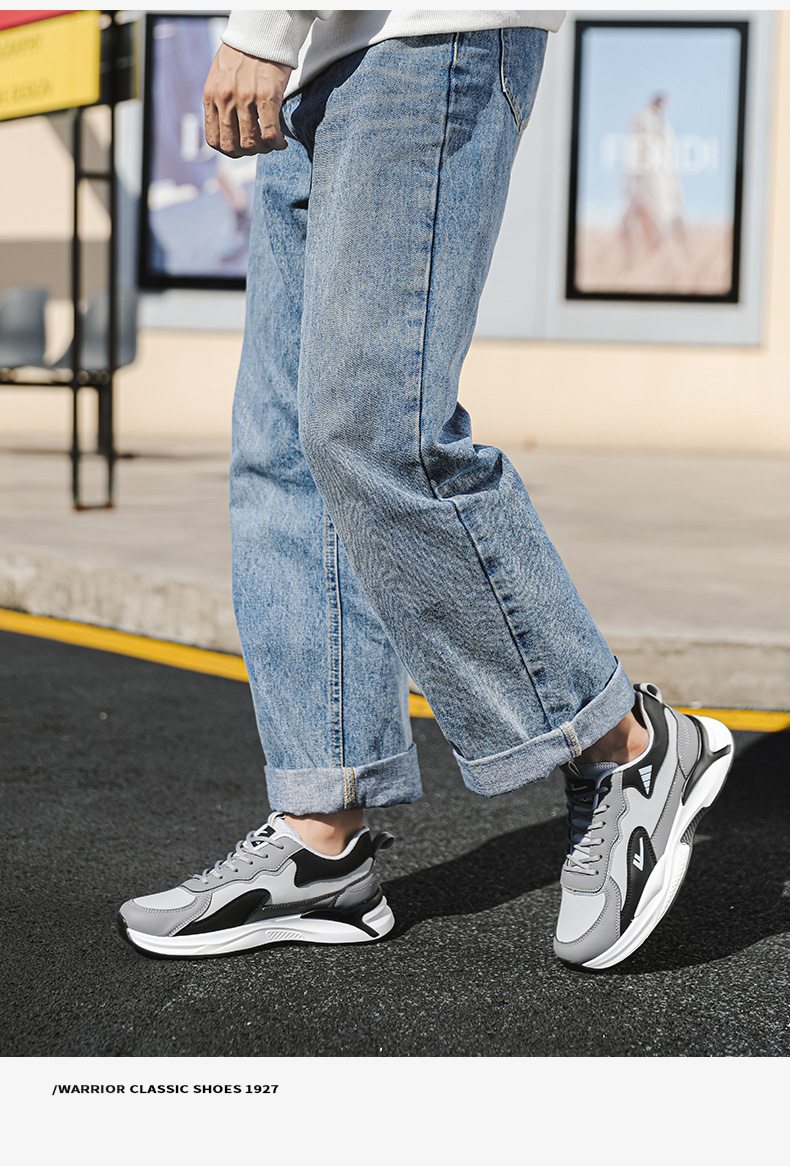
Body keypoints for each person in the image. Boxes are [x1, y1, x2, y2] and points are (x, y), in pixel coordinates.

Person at [118, 10, 734, 970]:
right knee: (285, 453)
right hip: (319, 59)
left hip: (417, 35)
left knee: (376, 430)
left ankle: (625, 741)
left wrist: (263, 28)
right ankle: (322, 835)